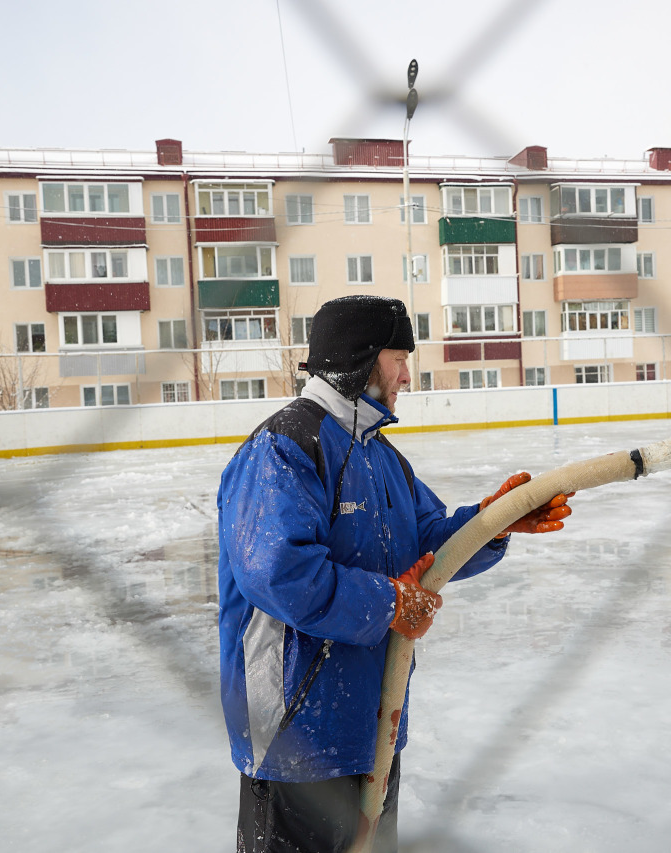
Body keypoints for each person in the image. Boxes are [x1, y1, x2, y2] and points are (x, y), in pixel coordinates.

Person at [216, 295, 573, 853]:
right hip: (295, 736)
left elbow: (429, 540)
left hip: (373, 726)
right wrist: (388, 604)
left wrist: (495, 521)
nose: (407, 375)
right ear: (360, 358)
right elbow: (278, 570)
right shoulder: (285, 446)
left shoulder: (380, 456)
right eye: (398, 357)